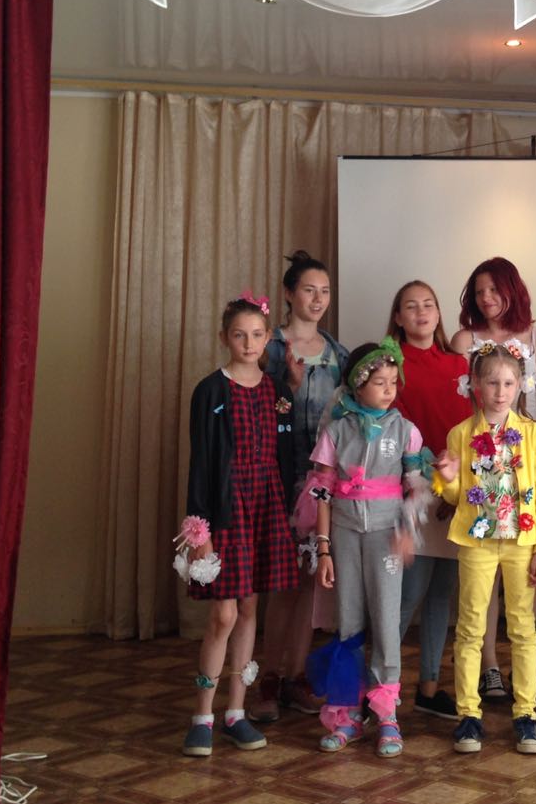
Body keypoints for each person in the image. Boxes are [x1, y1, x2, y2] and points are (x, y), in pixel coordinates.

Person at [295, 339, 430, 758]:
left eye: (393, 382)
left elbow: (415, 487)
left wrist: (408, 528)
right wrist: (324, 548)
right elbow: (321, 490)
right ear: (357, 385)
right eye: (379, 382)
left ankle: (386, 714)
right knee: (348, 623)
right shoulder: (336, 432)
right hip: (344, 534)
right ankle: (346, 713)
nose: (389, 389)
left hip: (386, 535)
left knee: (387, 622)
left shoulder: (406, 432)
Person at [181, 294, 301, 757]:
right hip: (227, 511)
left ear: (268, 338)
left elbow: (286, 456)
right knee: (223, 615)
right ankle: (202, 715)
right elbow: (201, 464)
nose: (248, 343)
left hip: (265, 507)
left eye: (256, 335)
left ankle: (236, 712)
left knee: (251, 609)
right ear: (224, 338)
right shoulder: (210, 391)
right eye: (238, 335)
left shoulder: (278, 392)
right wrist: (200, 531)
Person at [449, 257, 536, 700]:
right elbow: (456, 405)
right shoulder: (464, 340)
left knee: (521, 580)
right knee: (480, 583)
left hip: (524, 466)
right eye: (479, 292)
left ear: (513, 289)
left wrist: (530, 455)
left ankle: (523, 685)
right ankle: (489, 667)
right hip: (478, 469)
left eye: (494, 289)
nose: (487, 298)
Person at [433, 344, 536, 755]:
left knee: (523, 628)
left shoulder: (532, 433)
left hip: (521, 543)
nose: (501, 392)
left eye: (508, 383)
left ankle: (526, 713)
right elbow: (455, 496)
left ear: (521, 385)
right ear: (476, 385)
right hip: (477, 543)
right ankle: (469, 714)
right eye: (492, 383)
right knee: (470, 627)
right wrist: (447, 477)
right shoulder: (461, 434)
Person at [251, 251, 349, 724]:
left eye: (324, 291)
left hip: (323, 483)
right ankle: (268, 677)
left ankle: (296, 677)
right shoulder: (266, 347)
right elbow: (249, 410)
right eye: (309, 290)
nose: (317, 299)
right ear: (289, 294)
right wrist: (285, 387)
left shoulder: (339, 356)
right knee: (282, 581)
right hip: (277, 477)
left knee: (312, 580)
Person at [387, 280, 471, 720]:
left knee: (442, 593)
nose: (421, 312)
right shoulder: (391, 365)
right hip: (414, 491)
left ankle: (429, 687)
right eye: (411, 306)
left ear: (439, 313)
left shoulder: (459, 364)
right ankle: (380, 689)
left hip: (455, 493)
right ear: (398, 317)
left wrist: (458, 489)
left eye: (429, 305)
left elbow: (472, 428)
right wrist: (420, 483)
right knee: (407, 595)